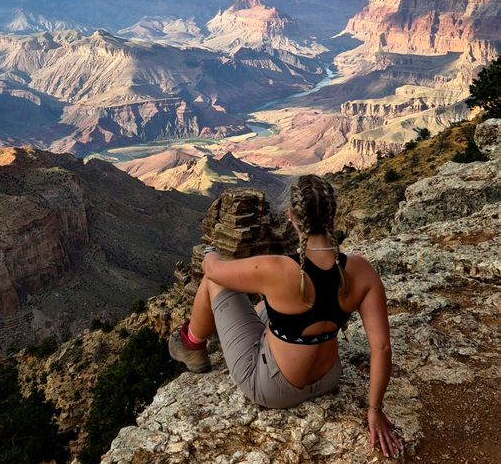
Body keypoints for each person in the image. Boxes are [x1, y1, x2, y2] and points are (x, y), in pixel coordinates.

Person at [169, 174, 403, 459]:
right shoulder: (361, 270)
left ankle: (191, 344)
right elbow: (382, 347)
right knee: (270, 308)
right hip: (328, 378)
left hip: (274, 389)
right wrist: (375, 410)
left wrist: (209, 252)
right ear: (333, 214)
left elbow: (214, 272)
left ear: (291, 215)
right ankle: (228, 337)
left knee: (217, 284)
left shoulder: (279, 269)